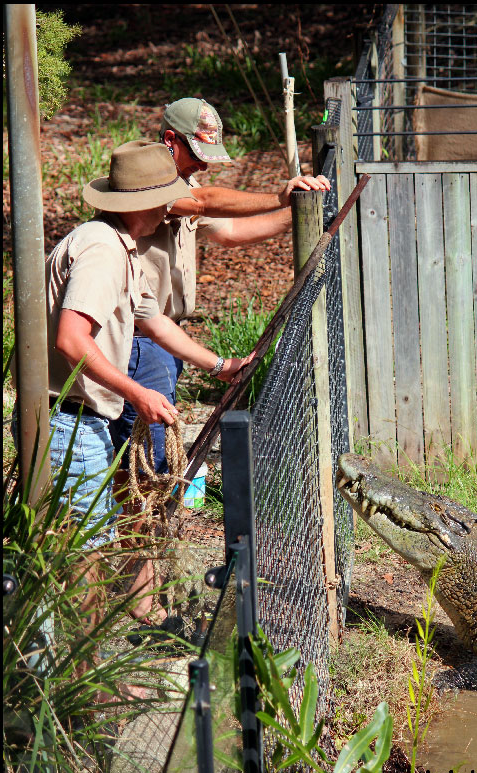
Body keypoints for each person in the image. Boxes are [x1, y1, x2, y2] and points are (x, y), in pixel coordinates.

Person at [109, 99, 330, 631]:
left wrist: (304, 212)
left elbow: (228, 231)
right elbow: (204, 200)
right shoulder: (154, 188)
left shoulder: (182, 192)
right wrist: (278, 191)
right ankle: (140, 607)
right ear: (170, 141)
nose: (205, 163)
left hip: (164, 341)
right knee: (148, 475)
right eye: (198, 151)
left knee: (151, 474)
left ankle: (141, 597)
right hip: (143, 342)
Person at [43, 140, 250, 700]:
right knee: (84, 553)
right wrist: (138, 393)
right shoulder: (103, 252)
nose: (171, 207)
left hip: (85, 412)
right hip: (70, 417)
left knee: (94, 542)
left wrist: (222, 364)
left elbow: (153, 322)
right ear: (140, 201)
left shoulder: (122, 247)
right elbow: (70, 337)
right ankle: (83, 687)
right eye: (162, 197)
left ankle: (81, 674)